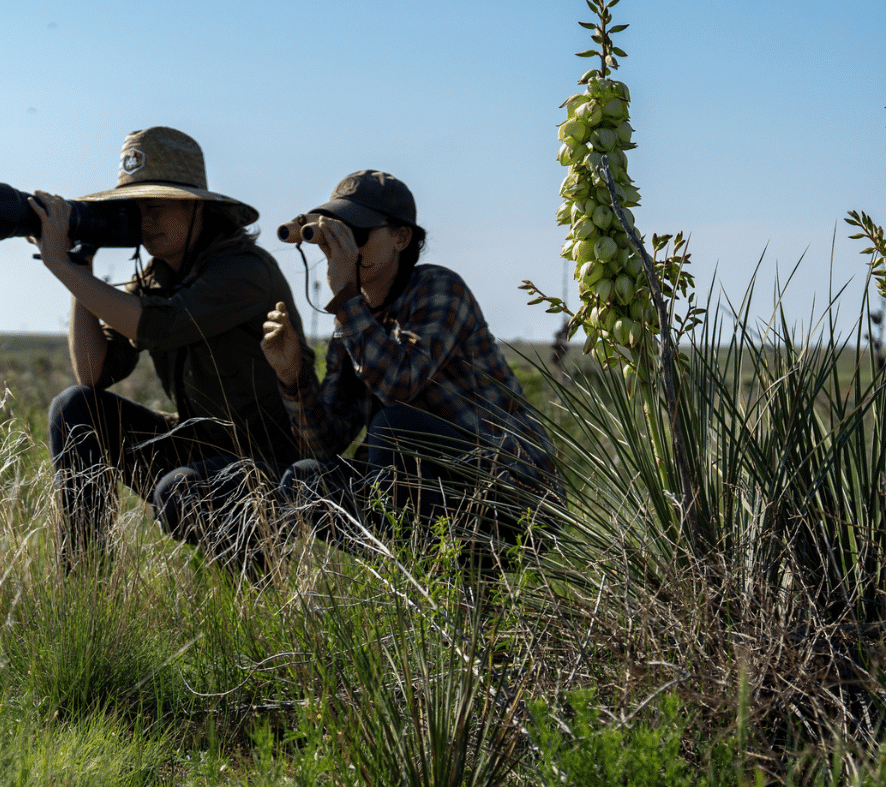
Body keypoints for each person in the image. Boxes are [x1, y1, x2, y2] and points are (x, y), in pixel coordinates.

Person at [30, 126, 313, 575]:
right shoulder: (156, 277)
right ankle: (86, 582)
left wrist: (62, 267)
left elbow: (162, 326)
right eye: (135, 208)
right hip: (202, 443)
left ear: (197, 207)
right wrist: (79, 268)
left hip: (272, 463)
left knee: (179, 489)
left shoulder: (244, 271)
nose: (146, 220)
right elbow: (92, 371)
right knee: (75, 406)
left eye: (157, 205)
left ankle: (266, 589)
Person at [260, 170, 553, 561]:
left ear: (401, 238)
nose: (343, 249)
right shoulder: (351, 324)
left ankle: (461, 585)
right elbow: (324, 444)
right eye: (335, 234)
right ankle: (427, 587)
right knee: (307, 480)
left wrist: (345, 296)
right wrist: (292, 375)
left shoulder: (438, 288)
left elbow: (400, 383)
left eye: (357, 235)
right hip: (439, 501)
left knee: (395, 428)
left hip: (515, 500)